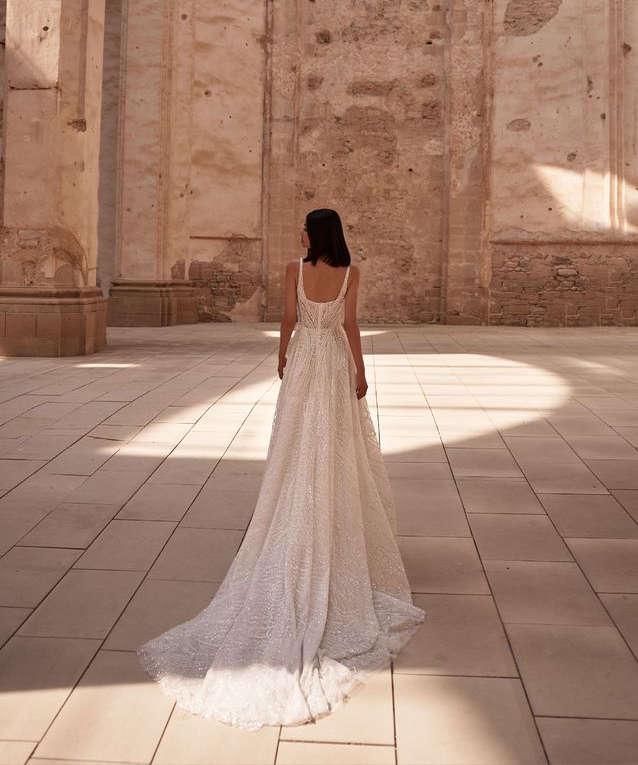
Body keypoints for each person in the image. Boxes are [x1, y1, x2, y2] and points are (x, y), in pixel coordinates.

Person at [136, 208, 425, 730]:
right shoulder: (351, 273)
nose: (301, 234)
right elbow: (352, 325)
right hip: (334, 360)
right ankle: (330, 517)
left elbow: (289, 322)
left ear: (313, 234)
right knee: (337, 444)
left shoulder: (294, 269)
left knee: (295, 442)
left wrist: (282, 359)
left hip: (306, 360)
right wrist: (360, 372)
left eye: (305, 228)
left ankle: (295, 508)